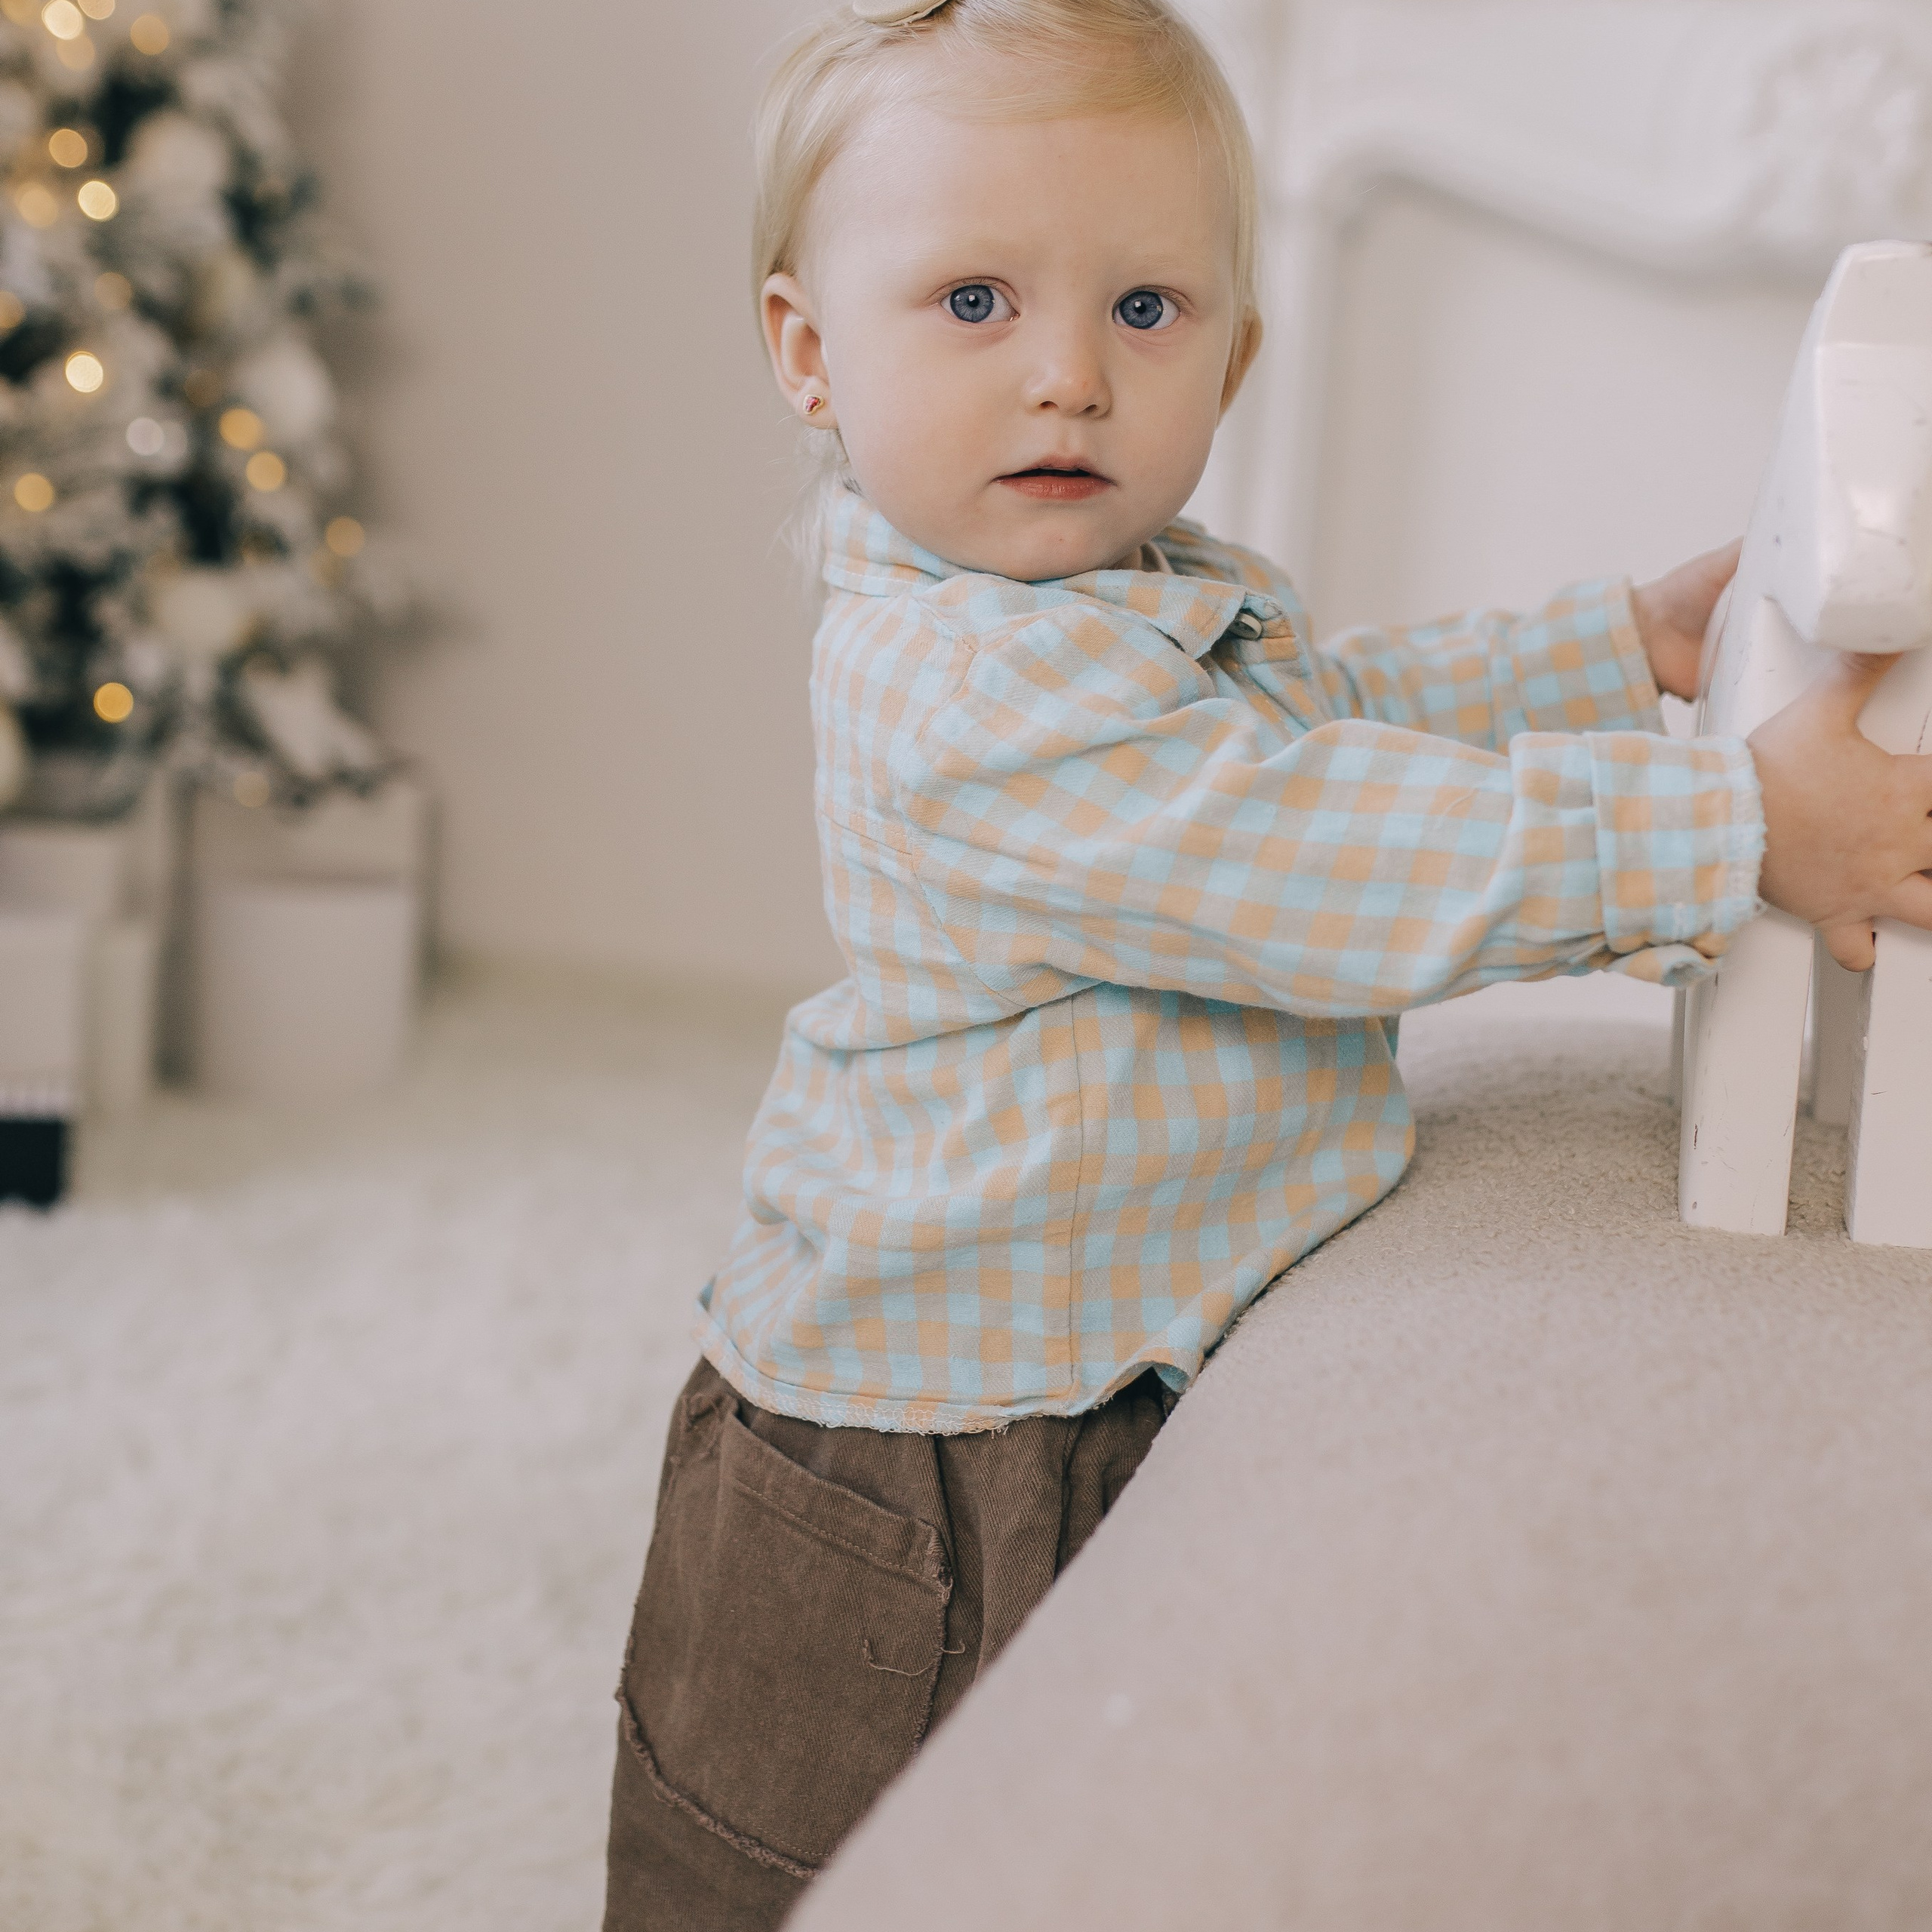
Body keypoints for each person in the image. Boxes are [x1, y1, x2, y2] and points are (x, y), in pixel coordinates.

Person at [602, 3, 1932, 1924]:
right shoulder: (974, 693)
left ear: (1236, 344)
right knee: (787, 1863)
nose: (1065, 374)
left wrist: (1606, 643)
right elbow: (1313, 849)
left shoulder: (1122, 596)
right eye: (974, 301)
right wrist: (1725, 828)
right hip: (927, 1461)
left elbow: (1323, 719)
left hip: (1090, 1363)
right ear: (810, 351)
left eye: (1143, 310)